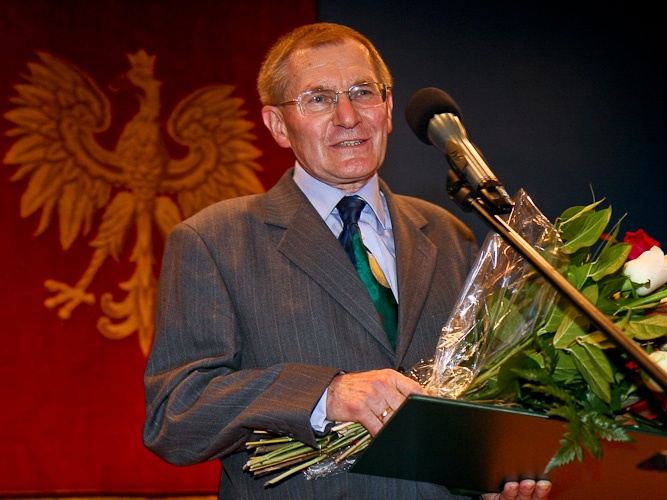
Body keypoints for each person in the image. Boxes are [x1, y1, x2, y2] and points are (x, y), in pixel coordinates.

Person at [143, 22, 552, 500]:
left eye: (363, 92)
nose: (348, 116)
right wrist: (326, 395)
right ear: (278, 125)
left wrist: (497, 475)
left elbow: (479, 399)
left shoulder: (448, 234)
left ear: (389, 109)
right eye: (318, 98)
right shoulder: (215, 241)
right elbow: (176, 416)